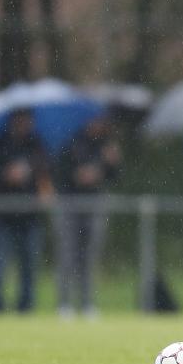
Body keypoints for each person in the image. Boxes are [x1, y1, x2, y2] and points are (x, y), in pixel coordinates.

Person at [0, 109, 53, 312]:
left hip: (29, 217)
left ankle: (25, 308)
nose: (24, 124)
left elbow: (46, 169)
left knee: (29, 266)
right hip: (2, 216)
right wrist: (5, 175)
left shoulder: (37, 144)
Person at [54, 115, 122, 317]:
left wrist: (113, 163)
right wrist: (78, 176)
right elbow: (61, 173)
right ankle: (64, 304)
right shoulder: (72, 142)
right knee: (68, 254)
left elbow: (115, 177)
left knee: (89, 257)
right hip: (70, 204)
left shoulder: (106, 146)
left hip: (94, 205)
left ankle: (87, 303)